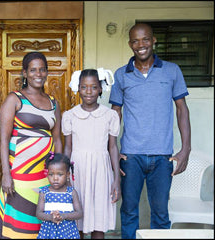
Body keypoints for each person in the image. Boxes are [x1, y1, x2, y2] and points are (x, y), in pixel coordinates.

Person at [109, 23, 191, 239]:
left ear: (154, 40)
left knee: (161, 214)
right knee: (128, 212)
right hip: (131, 156)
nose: (141, 45)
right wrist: (112, 151)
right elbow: (114, 114)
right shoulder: (121, 75)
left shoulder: (172, 70)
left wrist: (186, 150)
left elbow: (182, 109)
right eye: (135, 41)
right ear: (130, 44)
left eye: (145, 39)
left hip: (163, 156)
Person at [0, 51, 63, 239]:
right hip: (19, 176)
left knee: (42, 226)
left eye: (42, 70)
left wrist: (58, 174)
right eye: (33, 70)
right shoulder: (14, 99)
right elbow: (3, 140)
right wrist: (6, 175)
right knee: (19, 227)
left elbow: (57, 139)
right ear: (25, 73)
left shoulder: (53, 103)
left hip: (45, 176)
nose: (38, 74)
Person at [63, 69, 121, 239]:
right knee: (76, 217)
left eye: (94, 87)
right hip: (77, 170)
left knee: (98, 218)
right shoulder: (70, 115)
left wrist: (116, 178)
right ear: (78, 88)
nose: (89, 91)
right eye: (84, 87)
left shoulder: (110, 115)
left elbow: (113, 147)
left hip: (101, 170)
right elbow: (67, 147)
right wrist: (65, 175)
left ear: (101, 89)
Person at [36, 153, 83, 239]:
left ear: (68, 175)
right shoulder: (44, 192)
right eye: (51, 174)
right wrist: (50, 217)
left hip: (68, 233)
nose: (55, 178)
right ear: (47, 174)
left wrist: (64, 216)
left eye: (60, 174)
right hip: (48, 233)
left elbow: (79, 213)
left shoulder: (71, 192)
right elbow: (39, 213)